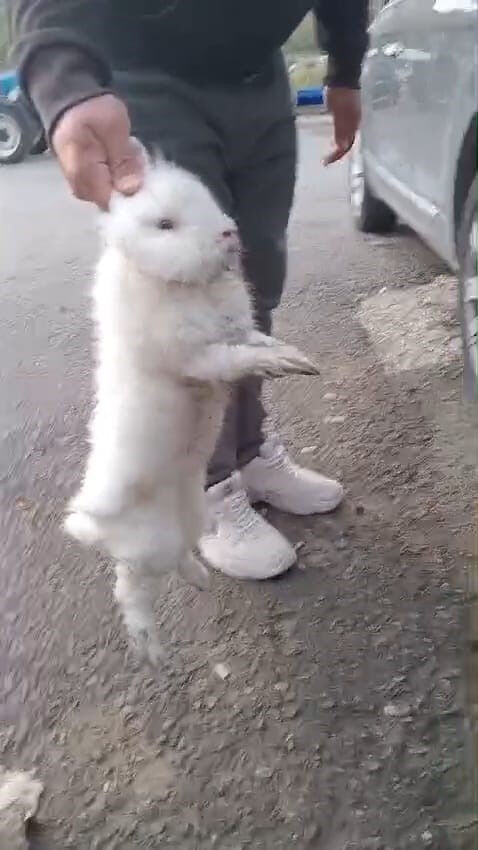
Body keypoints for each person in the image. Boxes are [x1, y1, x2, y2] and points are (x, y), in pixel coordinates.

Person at [9, 1, 368, 581]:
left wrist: (346, 70)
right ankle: (209, 488)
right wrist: (65, 84)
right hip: (145, 72)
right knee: (187, 297)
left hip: (260, 74)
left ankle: (249, 451)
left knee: (254, 282)